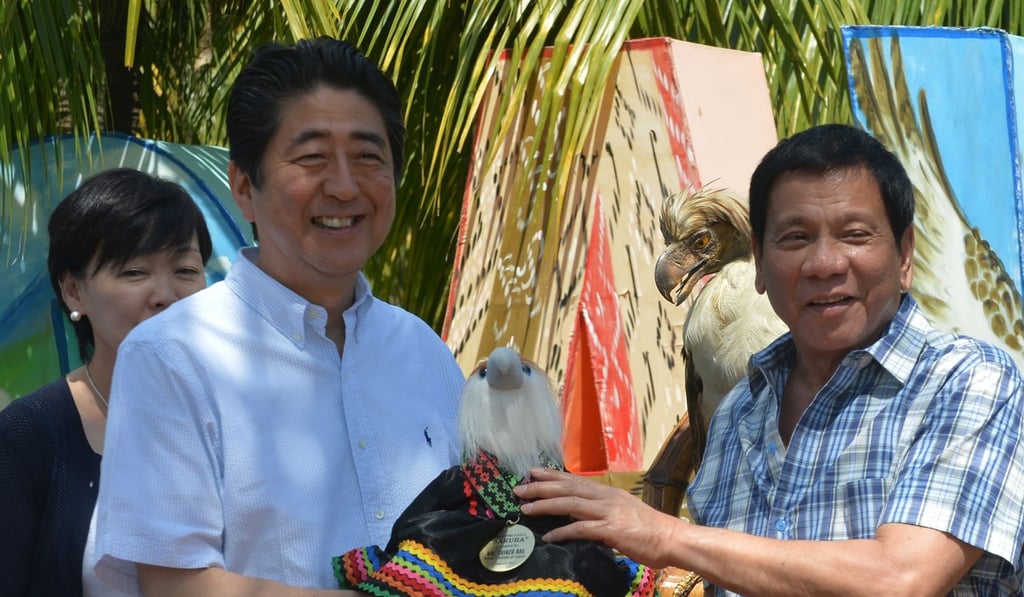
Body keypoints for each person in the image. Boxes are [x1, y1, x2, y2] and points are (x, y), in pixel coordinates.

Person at [515, 123, 1024, 595]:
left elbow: (902, 579)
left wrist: (664, 535)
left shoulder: (968, 382)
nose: (824, 264)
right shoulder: (741, 409)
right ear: (760, 262)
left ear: (905, 255)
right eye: (795, 238)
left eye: (855, 234)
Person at [91, 37, 465, 595]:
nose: (343, 186)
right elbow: (174, 585)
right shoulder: (172, 356)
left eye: (368, 157)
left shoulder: (424, 351)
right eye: (312, 158)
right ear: (245, 187)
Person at [0, 167, 213, 596]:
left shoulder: (245, 414)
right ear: (74, 292)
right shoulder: (28, 435)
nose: (165, 294)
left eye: (186, 270)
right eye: (134, 272)